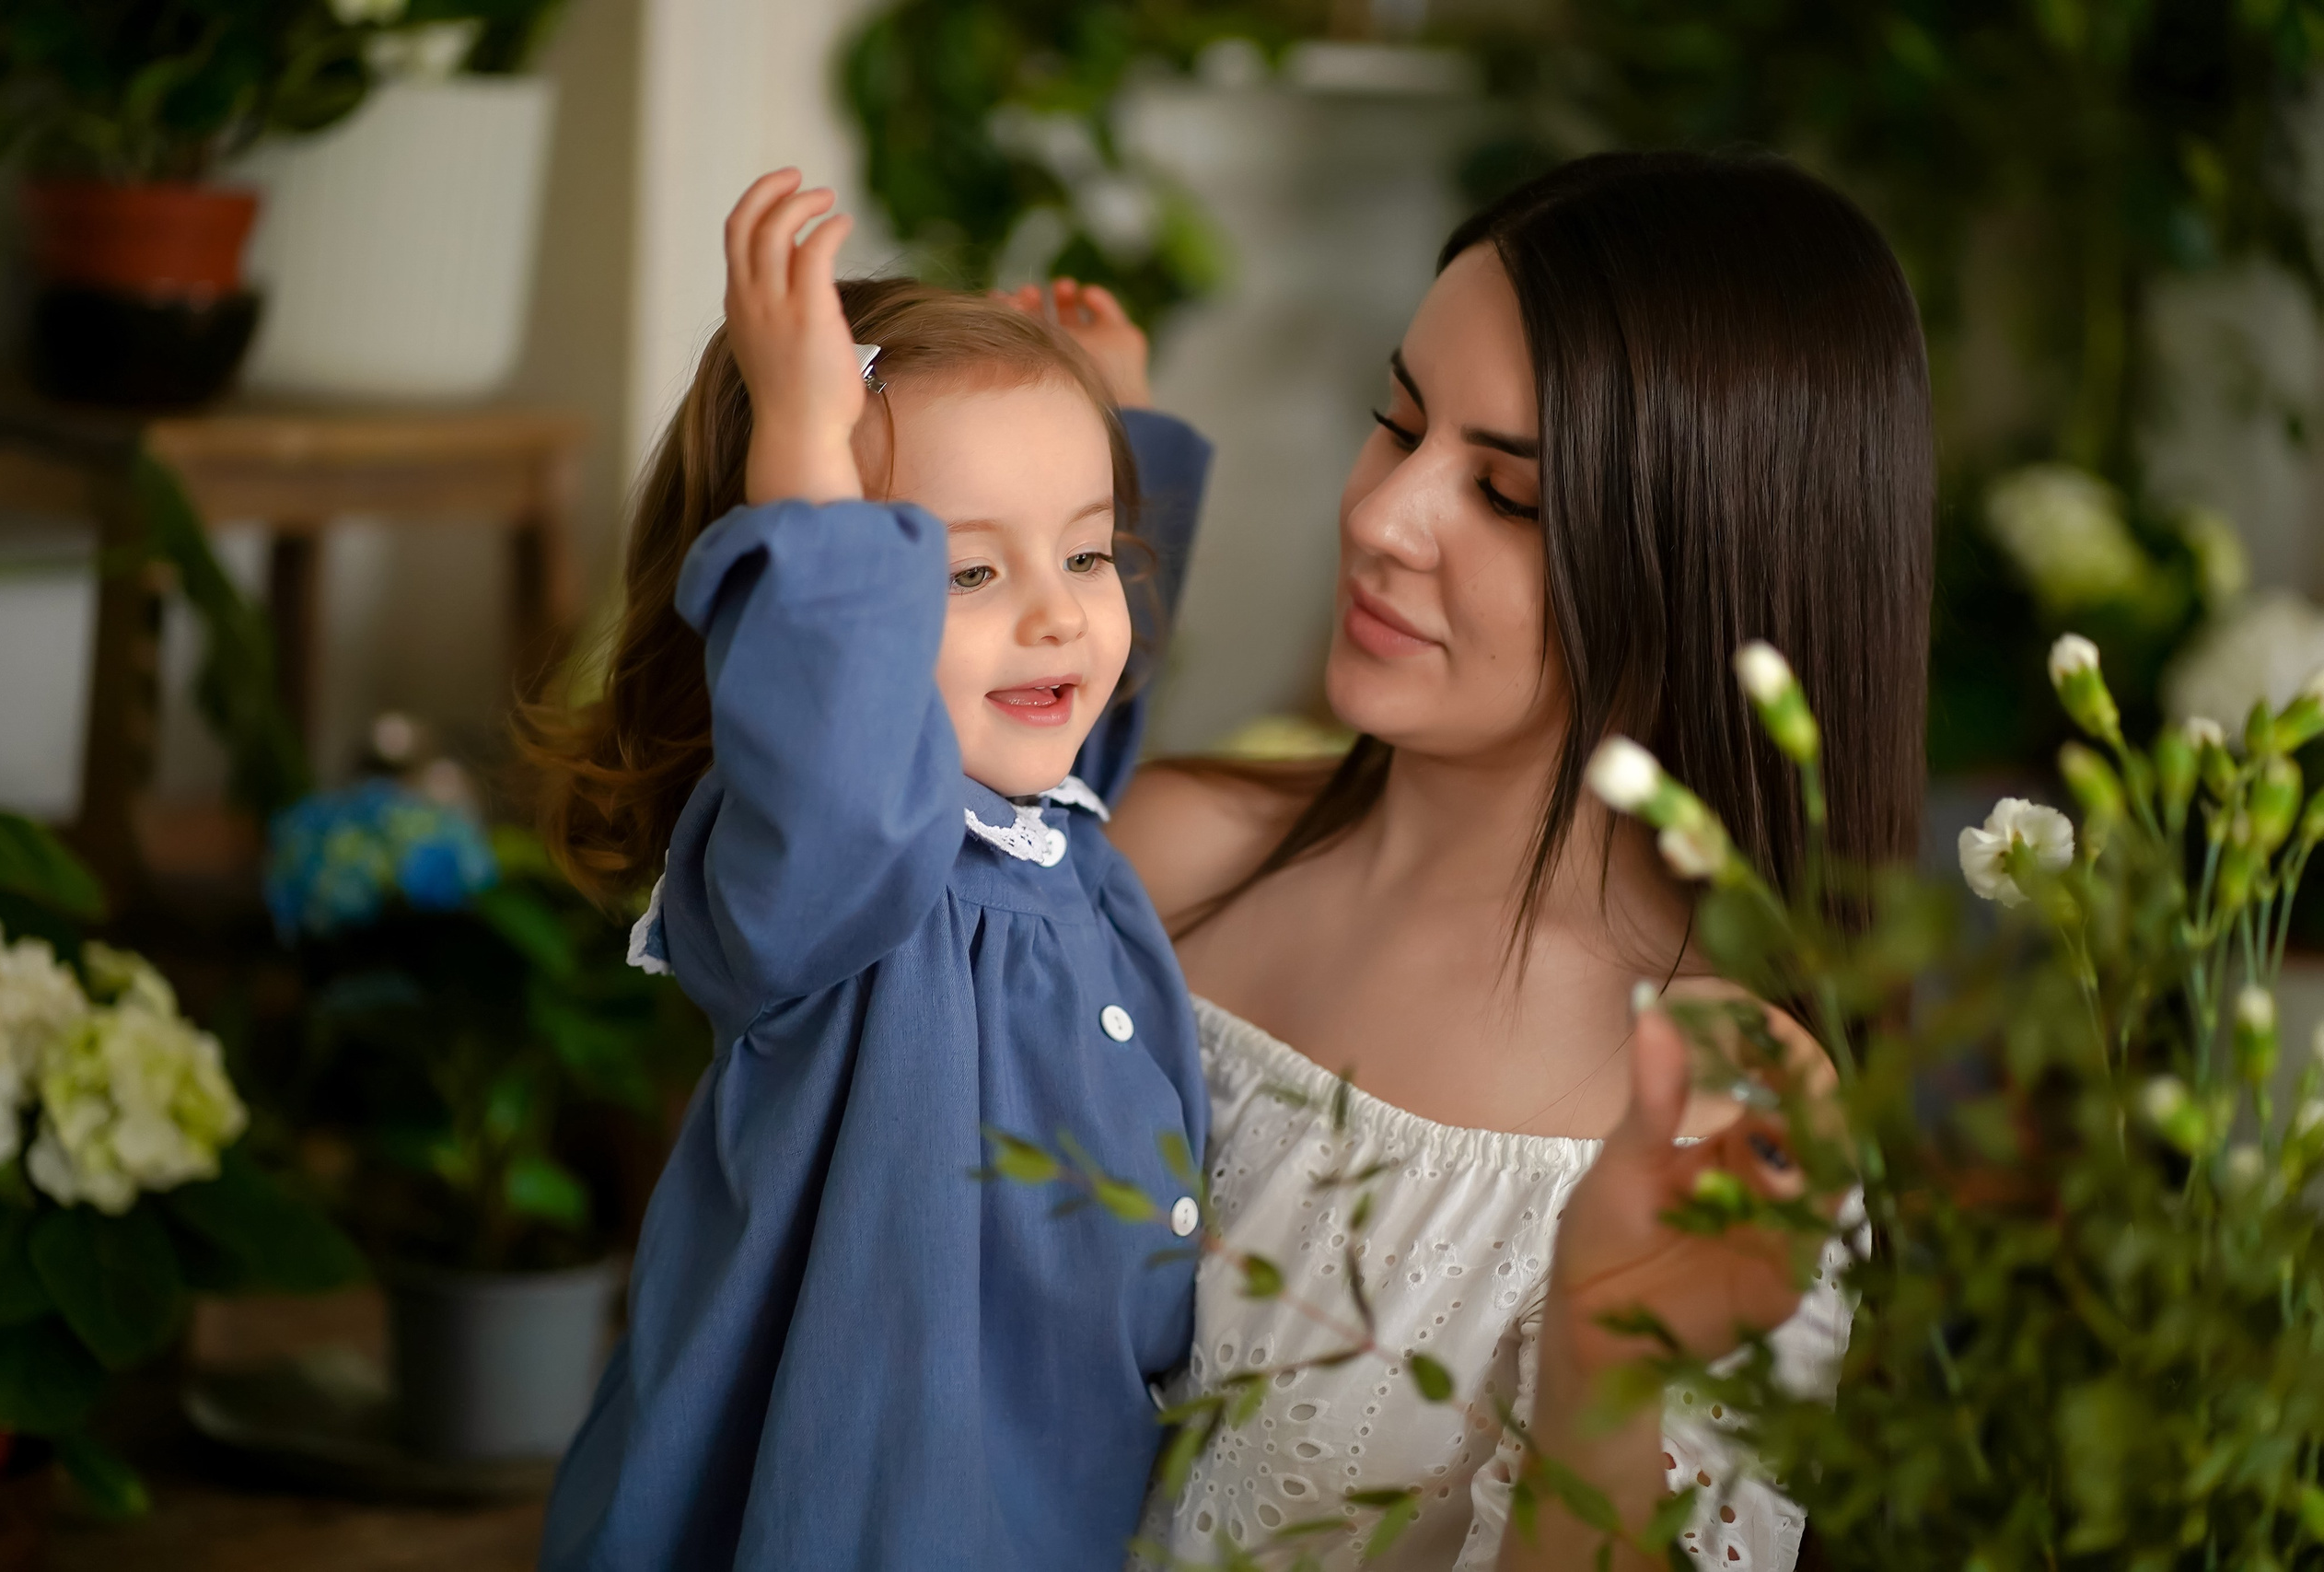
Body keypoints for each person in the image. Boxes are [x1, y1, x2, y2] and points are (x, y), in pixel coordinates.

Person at [1112, 150, 1935, 1569]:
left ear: (1704, 570)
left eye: (1507, 495)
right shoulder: (1165, 856)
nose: (1379, 516)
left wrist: (1606, 1359)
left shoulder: (1712, 1131)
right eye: (1398, 421)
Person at [529, 170, 1215, 1572]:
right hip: (866, 1506)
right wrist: (800, 439)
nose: (1055, 615)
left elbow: (1090, 692)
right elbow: (840, 732)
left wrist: (1116, 413)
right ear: (809, 608)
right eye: (959, 575)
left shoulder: (1049, 820)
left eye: (1089, 550)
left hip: (1064, 1473)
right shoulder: (830, 882)